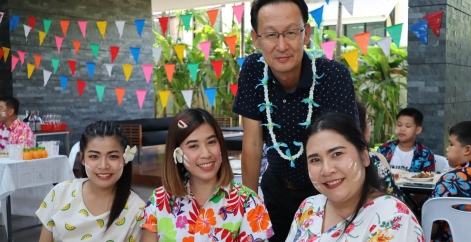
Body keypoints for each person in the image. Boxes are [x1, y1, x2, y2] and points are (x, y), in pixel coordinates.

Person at [232, 0, 358, 239]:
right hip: (275, 190)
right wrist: (250, 208)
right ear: (256, 39)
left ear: (306, 33)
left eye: (290, 32)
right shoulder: (252, 69)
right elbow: (252, 143)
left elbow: (346, 147)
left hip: (325, 193)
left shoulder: (333, 76)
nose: (282, 45)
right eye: (270, 35)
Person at [286, 112, 424, 241]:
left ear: (364, 157)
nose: (326, 170)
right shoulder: (309, 207)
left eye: (337, 154)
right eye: (315, 160)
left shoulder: (393, 217)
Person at [140, 108, 273, 241]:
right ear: (177, 153)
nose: (206, 154)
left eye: (211, 142)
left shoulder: (248, 202)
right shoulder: (158, 201)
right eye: (193, 146)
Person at [36, 121, 145, 241]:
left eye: (113, 156)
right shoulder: (60, 193)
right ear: (82, 158)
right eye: (94, 156)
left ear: (124, 159)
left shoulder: (138, 210)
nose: (103, 166)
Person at [356, 100, 405, 201]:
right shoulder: (379, 155)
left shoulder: (425, 153)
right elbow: (396, 199)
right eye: (367, 122)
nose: (370, 127)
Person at [377, 107, 435, 172]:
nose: (402, 129)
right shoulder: (384, 149)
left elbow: (429, 179)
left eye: (407, 126)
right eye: (399, 125)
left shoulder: (425, 154)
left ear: (417, 130)